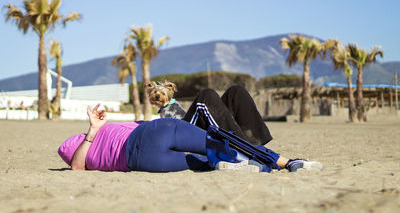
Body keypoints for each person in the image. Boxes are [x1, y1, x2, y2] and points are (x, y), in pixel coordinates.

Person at [59, 103, 322, 173]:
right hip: (153, 133)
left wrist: (94, 132)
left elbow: (77, 166)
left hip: (142, 161)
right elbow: (76, 166)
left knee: (207, 162)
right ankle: (285, 162)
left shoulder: (88, 144)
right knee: (219, 143)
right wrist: (92, 131)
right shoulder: (85, 138)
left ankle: (259, 166)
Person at [183, 85, 272, 145]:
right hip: (177, 134)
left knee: (236, 92)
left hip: (182, 122)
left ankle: (256, 145)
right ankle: (247, 150)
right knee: (206, 96)